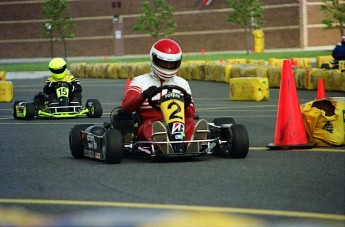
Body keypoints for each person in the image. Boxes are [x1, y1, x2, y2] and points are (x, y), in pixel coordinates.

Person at [121, 39, 208, 154]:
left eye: (172, 63)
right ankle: (161, 143)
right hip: (151, 123)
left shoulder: (182, 83)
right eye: (164, 63)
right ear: (154, 59)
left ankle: (192, 141)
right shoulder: (140, 81)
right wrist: (143, 96)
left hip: (178, 124)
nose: (168, 66)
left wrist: (186, 103)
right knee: (153, 127)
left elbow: (190, 114)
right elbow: (126, 106)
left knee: (190, 122)